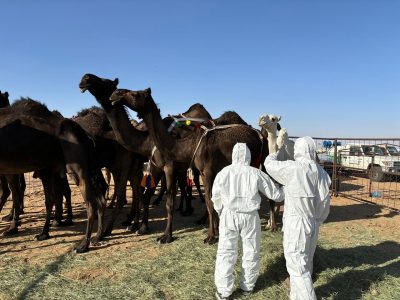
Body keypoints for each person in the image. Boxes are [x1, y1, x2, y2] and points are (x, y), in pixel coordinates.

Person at [212, 143, 284, 300]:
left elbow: (215, 196)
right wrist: (288, 188)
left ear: (233, 155)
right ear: (249, 156)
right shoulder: (256, 173)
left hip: (228, 215)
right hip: (250, 216)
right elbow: (275, 195)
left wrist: (220, 212)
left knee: (226, 252)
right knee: (251, 251)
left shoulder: (224, 173)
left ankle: (224, 291)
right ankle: (247, 287)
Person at [264, 136, 331, 300]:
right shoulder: (321, 173)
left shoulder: (292, 168)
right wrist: (318, 220)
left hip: (296, 224)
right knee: (305, 265)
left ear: (298, 150)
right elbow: (324, 203)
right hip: (313, 223)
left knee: (297, 268)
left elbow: (269, 165)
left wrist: (276, 149)